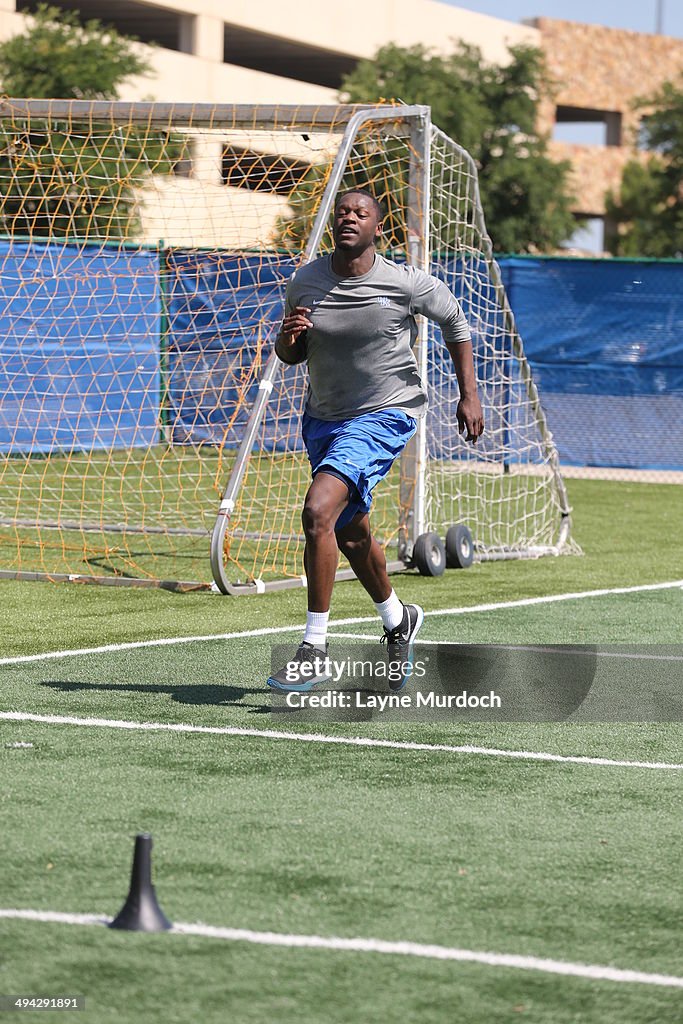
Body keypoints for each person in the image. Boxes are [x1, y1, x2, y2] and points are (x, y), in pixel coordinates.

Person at [267, 188, 484, 693]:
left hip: (386, 414)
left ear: (376, 227)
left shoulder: (404, 283)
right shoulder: (306, 282)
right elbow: (291, 355)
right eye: (342, 212)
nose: (349, 218)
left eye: (360, 213)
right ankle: (397, 619)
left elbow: (456, 323)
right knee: (350, 534)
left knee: (318, 509)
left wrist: (468, 394)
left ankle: (314, 648)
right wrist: (289, 337)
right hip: (324, 419)